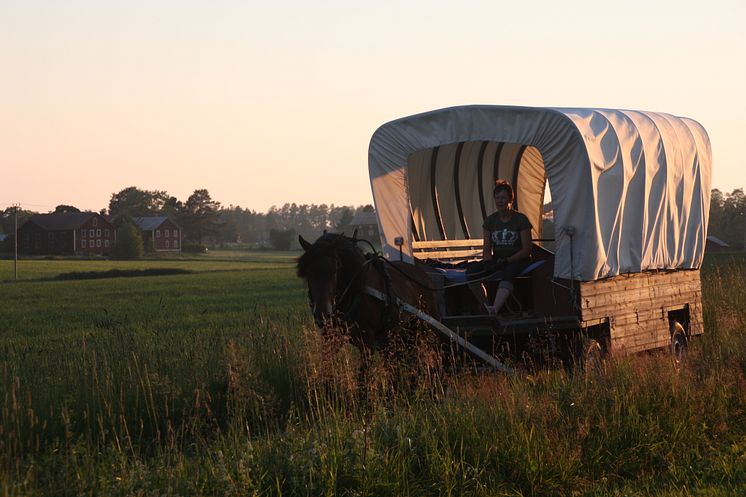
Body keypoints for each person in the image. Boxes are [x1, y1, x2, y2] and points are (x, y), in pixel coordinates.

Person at [476, 180, 533, 317]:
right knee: (472, 273)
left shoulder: (520, 220)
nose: (500, 201)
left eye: (503, 197)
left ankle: (495, 309)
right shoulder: (490, 221)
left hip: (519, 259)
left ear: (510, 199)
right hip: (499, 258)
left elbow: (527, 249)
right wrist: (488, 262)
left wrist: (508, 260)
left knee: (509, 272)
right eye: (497, 198)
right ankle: (486, 305)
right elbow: (487, 248)